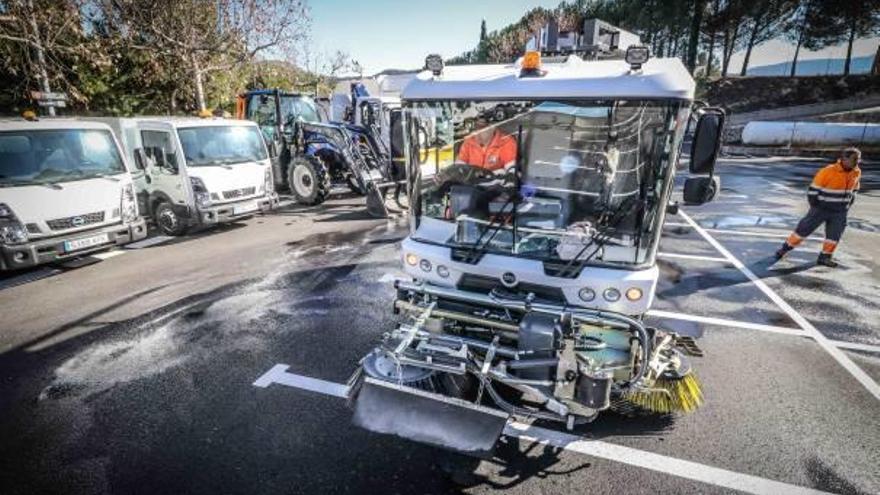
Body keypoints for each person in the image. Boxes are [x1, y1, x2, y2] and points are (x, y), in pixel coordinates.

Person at [775, 147, 862, 267]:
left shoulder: (856, 172)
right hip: (821, 208)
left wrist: (849, 202)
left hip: (840, 211)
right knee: (803, 229)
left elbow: (855, 189)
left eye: (858, 159)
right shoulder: (828, 171)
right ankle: (784, 249)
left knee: (834, 235)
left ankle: (825, 257)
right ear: (844, 159)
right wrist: (815, 206)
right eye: (854, 159)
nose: (857, 161)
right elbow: (813, 190)